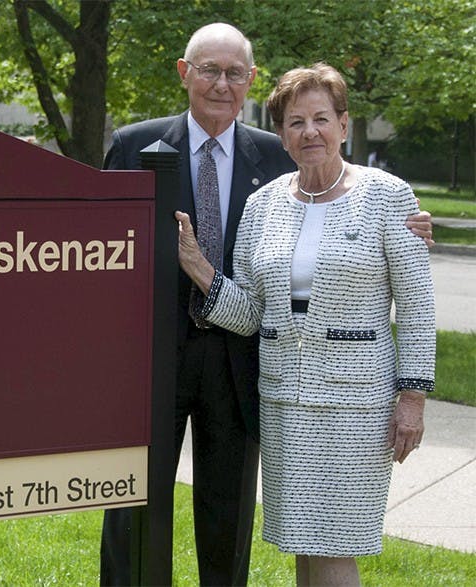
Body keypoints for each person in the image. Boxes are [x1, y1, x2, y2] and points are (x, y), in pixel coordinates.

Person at [99, 24, 433, 586]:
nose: (222, 84)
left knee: (241, 524)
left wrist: (413, 393)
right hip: (162, 365)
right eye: (209, 69)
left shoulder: (291, 164)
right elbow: (97, 247)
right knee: (135, 511)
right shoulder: (138, 146)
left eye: (235, 73)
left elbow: (405, 290)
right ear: (185, 73)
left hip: (249, 371)